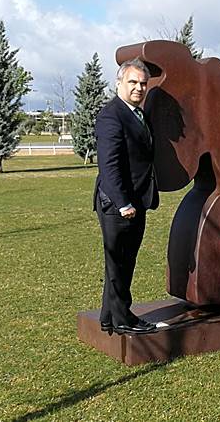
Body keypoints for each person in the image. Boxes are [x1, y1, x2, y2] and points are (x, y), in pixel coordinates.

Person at [94, 58, 158, 335]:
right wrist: (123, 204)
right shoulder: (112, 115)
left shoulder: (136, 114)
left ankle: (110, 315)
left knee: (124, 262)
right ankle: (122, 320)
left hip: (136, 199)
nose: (139, 88)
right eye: (132, 82)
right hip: (119, 203)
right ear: (119, 82)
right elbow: (108, 165)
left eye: (143, 83)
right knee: (118, 263)